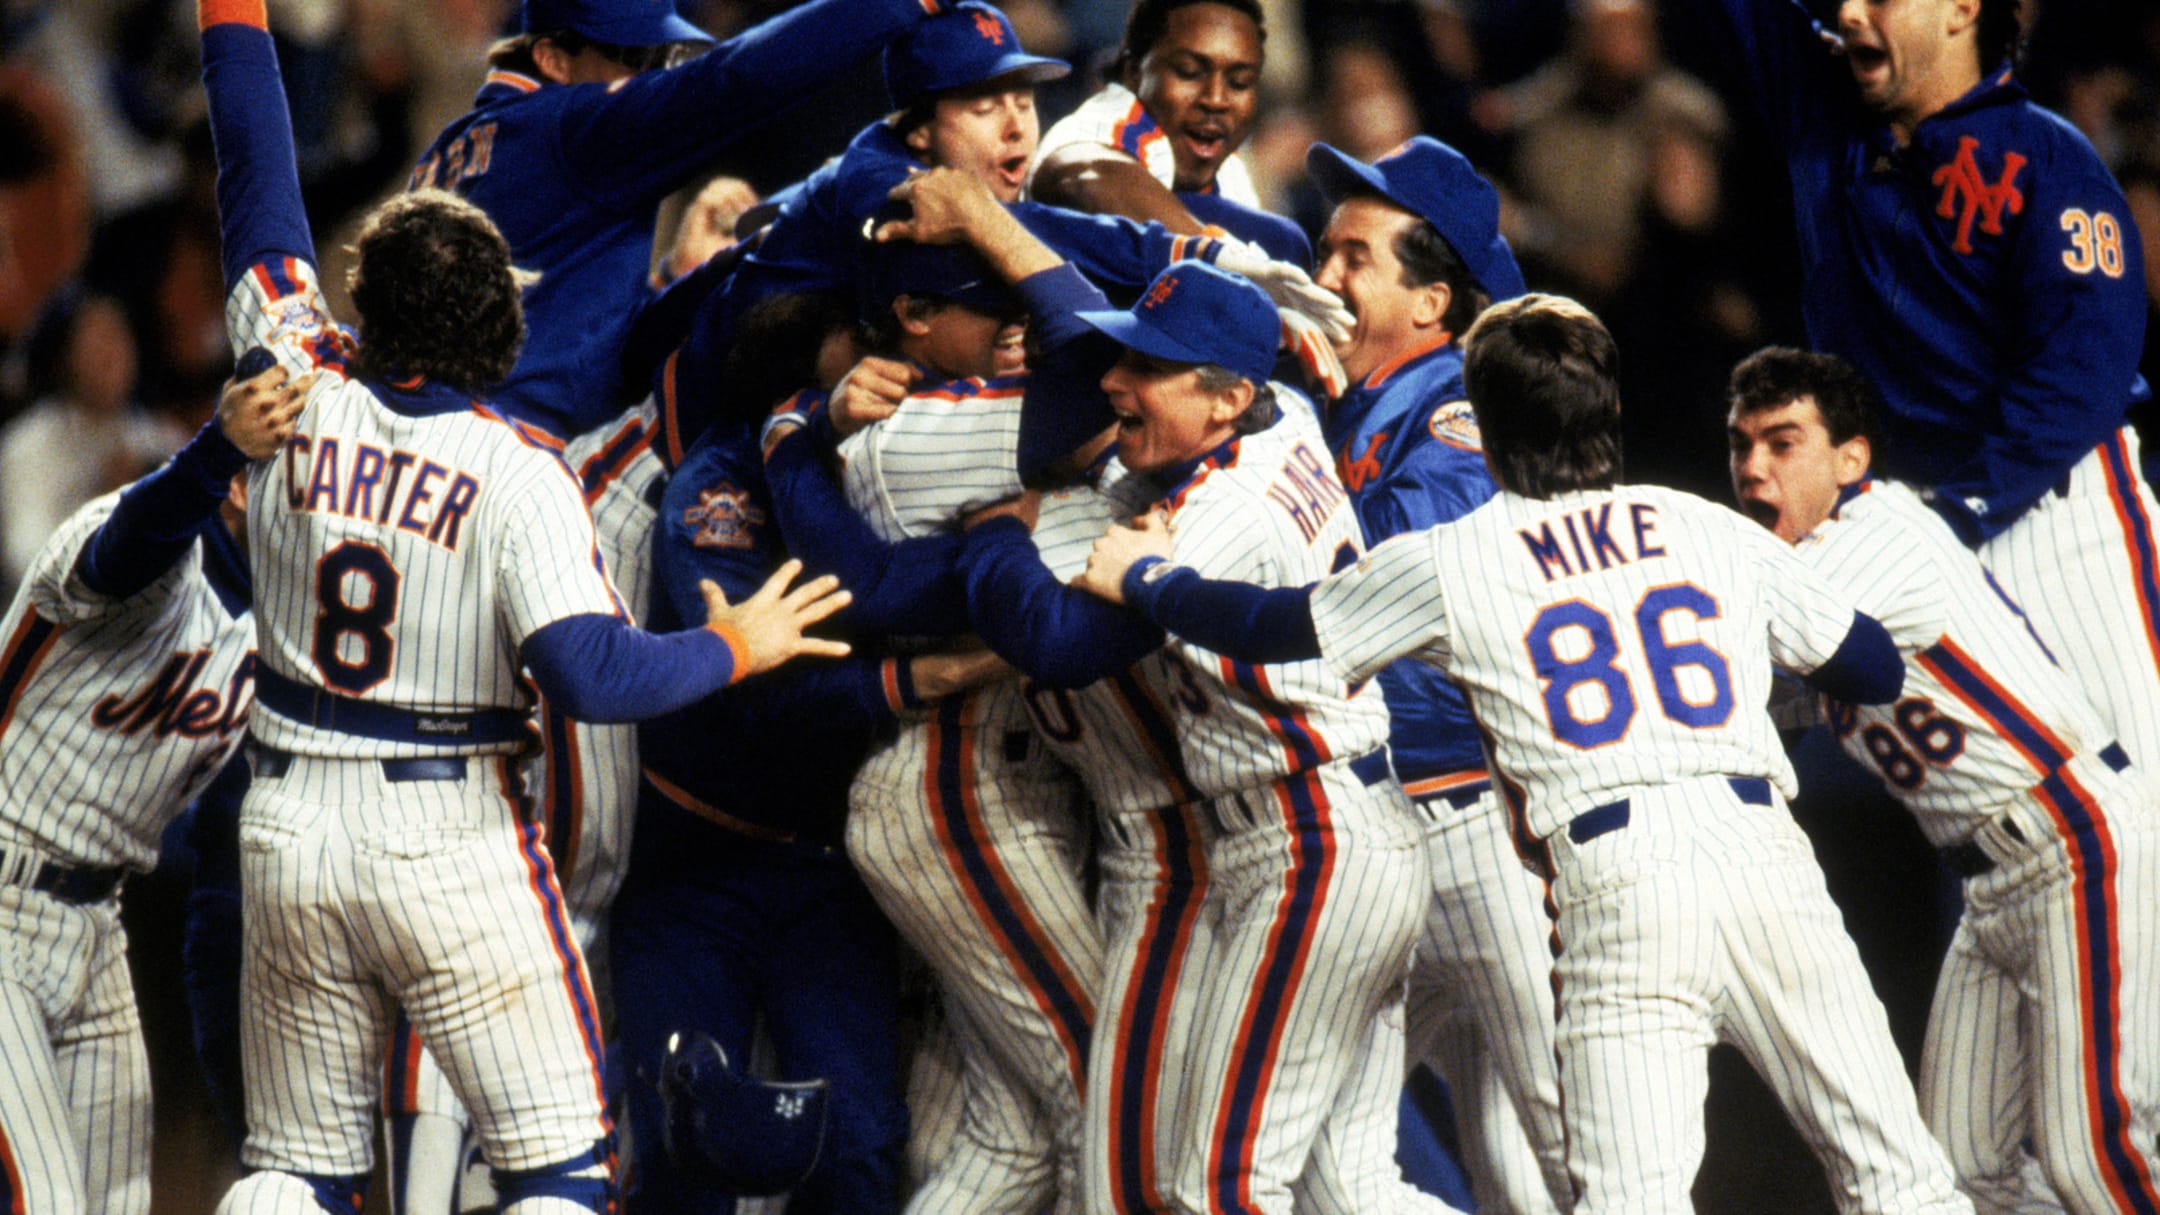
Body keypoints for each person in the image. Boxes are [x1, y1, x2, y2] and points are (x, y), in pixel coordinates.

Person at [1077, 294, 1982, 1215]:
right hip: (1764, 855)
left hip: (1620, 884)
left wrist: (1149, 578)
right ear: (1610, 413)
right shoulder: (1704, 523)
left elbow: (1276, 625)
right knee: (1898, 1175)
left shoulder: (1452, 556)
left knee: (1632, 1203)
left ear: (1492, 429)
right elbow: (1871, 666)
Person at [198, 4, 851, 1211]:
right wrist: (734, 641)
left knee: (294, 1175)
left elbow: (253, 160)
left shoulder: (290, 378)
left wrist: (234, 17)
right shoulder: (518, 466)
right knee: (561, 1173)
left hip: (285, 821)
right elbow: (597, 677)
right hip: (448, 835)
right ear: (499, 315)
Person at [1726, 345, 2160, 1215]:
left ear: (1850, 461)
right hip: (1995, 883)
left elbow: (1746, 649)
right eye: (1741, 447)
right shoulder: (1806, 569)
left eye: (1784, 443)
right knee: (1959, 1171)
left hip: (2076, 843)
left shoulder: (1877, 535)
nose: (1753, 468)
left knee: (2092, 1159)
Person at [1695, 0, 2160, 776]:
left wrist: (1957, 513)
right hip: (1909, 513)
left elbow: (2083, 374)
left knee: (2138, 795)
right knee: (1745, 693)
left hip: (2055, 514)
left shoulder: (2048, 158)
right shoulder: (1824, 109)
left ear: (1960, 9)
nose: (1848, 10)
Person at [1300, 134, 1570, 1214]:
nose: (1325, 279)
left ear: (1432, 301)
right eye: (1325, 250)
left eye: (1353, 257)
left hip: (1479, 830)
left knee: (1582, 1156)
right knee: (1332, 1164)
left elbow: (1395, 574)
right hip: (1390, 835)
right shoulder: (1360, 402)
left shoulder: (1459, 404)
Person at [0, 360, 300, 1214]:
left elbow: (224, 847)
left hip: (98, 926)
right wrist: (215, 454)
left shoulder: (278, 623)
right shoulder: (142, 541)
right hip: (3, 890)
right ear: (243, 486)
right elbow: (124, 548)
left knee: (117, 1202)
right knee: (46, 1199)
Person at [410, 0, 948, 439]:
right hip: (503, 454)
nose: (653, 76)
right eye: (637, 58)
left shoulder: (454, 148)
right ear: (553, 58)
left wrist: (671, 278)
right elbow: (735, 81)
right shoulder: (575, 129)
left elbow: (553, 323)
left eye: (663, 56)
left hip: (419, 445)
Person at [1025, 0, 1309, 265]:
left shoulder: (1232, 170)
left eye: (1239, 82)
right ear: (1134, 71)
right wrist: (1222, 256)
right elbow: (1084, 175)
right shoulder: (1109, 117)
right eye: (1189, 72)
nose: (1215, 99)